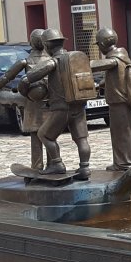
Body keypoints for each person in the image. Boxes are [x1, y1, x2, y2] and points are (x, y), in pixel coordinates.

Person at [23, 29, 96, 180]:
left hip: (61, 108)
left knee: (44, 135)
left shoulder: (53, 61)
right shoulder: (75, 59)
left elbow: (30, 76)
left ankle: (56, 163)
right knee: (81, 139)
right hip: (79, 106)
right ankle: (84, 168)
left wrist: (24, 88)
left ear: (47, 45)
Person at [0, 29, 50, 170]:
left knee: (35, 135)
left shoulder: (25, 61)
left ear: (31, 43)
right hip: (49, 103)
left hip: (32, 103)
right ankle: (53, 164)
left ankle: (37, 166)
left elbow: (6, 77)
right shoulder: (52, 60)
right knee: (50, 135)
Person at [93, 27, 131, 171]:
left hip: (119, 102)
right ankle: (130, 159)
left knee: (121, 133)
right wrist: (101, 84)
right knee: (128, 131)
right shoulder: (122, 56)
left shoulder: (115, 58)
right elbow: (116, 78)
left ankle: (124, 163)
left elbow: (100, 65)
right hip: (123, 102)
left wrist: (78, 64)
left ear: (102, 44)